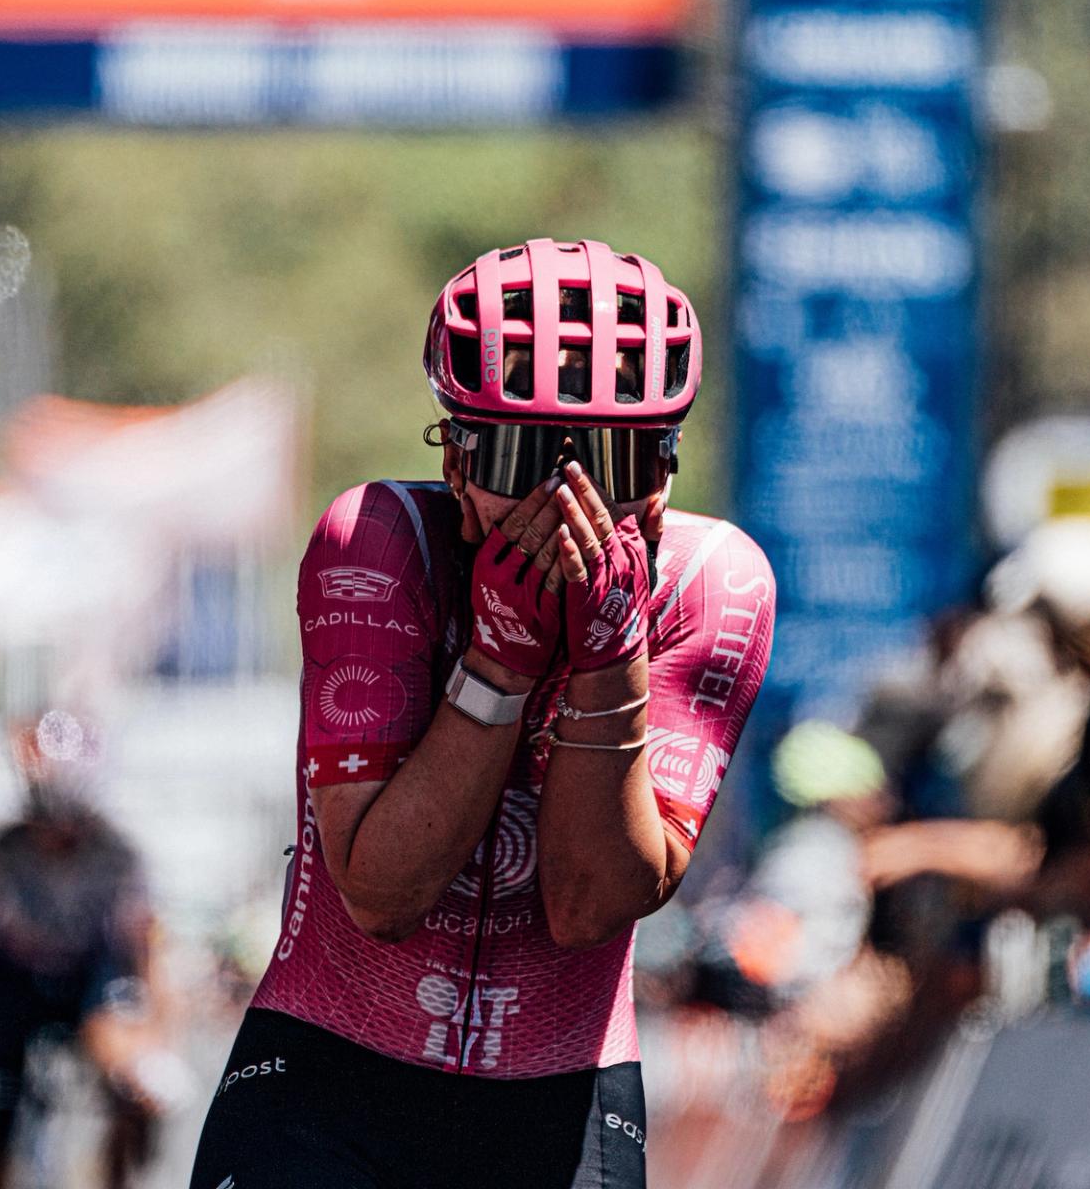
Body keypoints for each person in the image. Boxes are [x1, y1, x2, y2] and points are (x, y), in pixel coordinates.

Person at [188, 239, 775, 1189]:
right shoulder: (378, 544)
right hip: (328, 1084)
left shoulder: (713, 585)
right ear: (457, 466)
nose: (567, 495)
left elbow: (588, 904)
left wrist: (611, 662)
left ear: (661, 483)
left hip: (559, 1103)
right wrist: (497, 663)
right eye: (522, 454)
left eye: (614, 460)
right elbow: (380, 893)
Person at [0, 710, 170, 1189]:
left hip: (89, 983)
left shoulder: (119, 852)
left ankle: (117, 1170)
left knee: (135, 1088)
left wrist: (153, 1047)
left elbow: (150, 950)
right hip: (9, 981)